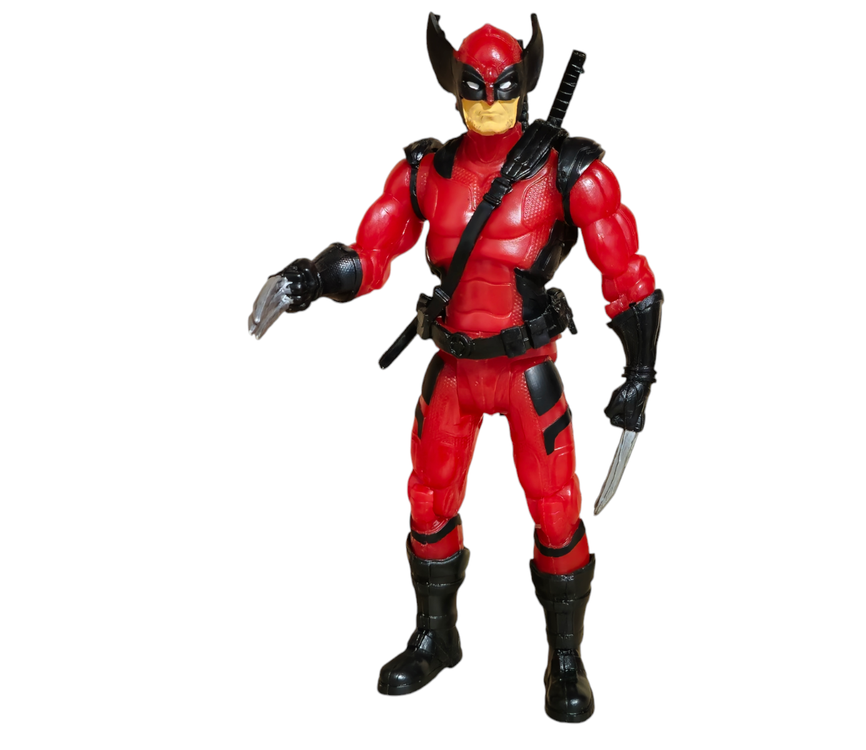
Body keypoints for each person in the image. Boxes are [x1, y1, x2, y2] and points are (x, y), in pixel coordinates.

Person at [248, 14, 663, 723]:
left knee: (555, 510)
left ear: (525, 86)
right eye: (475, 87)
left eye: (504, 87)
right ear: (453, 87)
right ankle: (436, 637)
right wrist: (309, 278)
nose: (490, 101)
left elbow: (626, 273)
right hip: (454, 369)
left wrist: (639, 372)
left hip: (527, 369)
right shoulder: (426, 173)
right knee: (428, 501)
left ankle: (565, 658)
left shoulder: (569, 170)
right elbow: (370, 255)